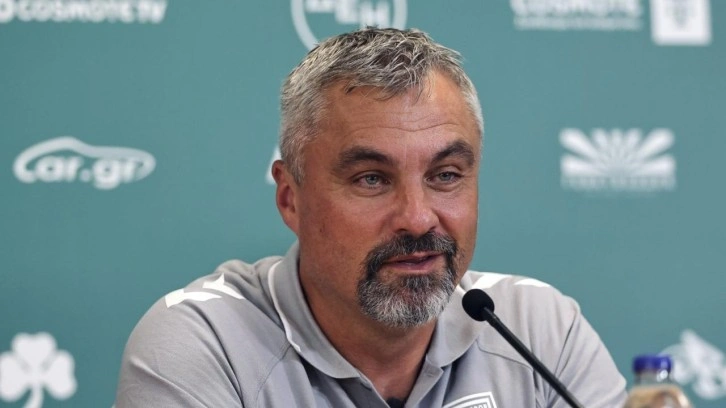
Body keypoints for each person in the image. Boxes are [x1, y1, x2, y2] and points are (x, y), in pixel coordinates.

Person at [116, 27, 626, 407]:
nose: (418, 219)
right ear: (290, 198)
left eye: (445, 175)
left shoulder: (539, 330)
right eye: (371, 179)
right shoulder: (206, 343)